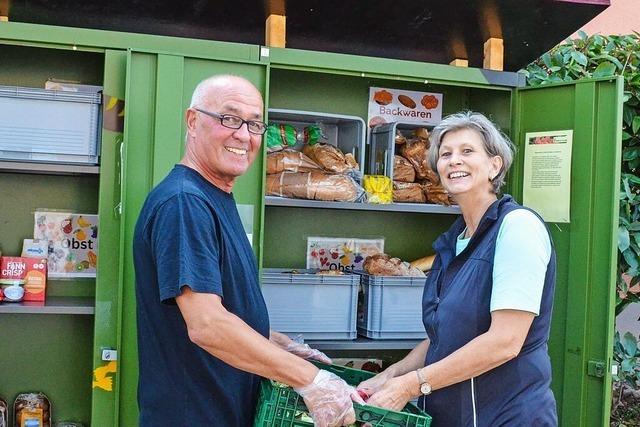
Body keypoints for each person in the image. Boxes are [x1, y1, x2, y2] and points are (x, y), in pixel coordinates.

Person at [133, 74, 362, 427]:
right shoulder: (184, 203)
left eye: (255, 124)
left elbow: (226, 309)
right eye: (229, 118)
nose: (244, 135)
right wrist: (309, 379)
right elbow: (207, 324)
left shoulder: (215, 196)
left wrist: (280, 345)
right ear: (193, 121)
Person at [357, 111, 557, 426]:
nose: (454, 161)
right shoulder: (455, 240)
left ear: (495, 164)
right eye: (446, 154)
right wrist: (390, 376)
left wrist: (410, 385)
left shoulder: (517, 227)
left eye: (467, 151)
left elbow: (505, 341)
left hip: (507, 417)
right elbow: (445, 335)